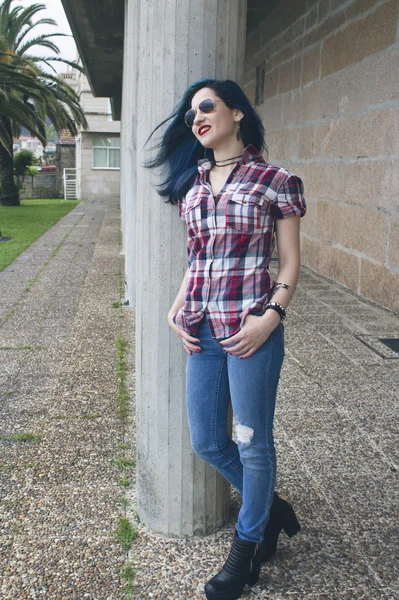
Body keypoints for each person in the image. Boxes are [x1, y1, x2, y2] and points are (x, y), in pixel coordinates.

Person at [146, 79, 306, 600]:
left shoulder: (274, 180)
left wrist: (272, 316)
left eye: (207, 106)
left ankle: (247, 549)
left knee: (253, 444)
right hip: (201, 329)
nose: (198, 117)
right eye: (192, 113)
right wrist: (175, 306)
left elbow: (290, 262)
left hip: (252, 328)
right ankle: (273, 509)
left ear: (237, 113)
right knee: (208, 441)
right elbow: (198, 260)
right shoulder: (191, 188)